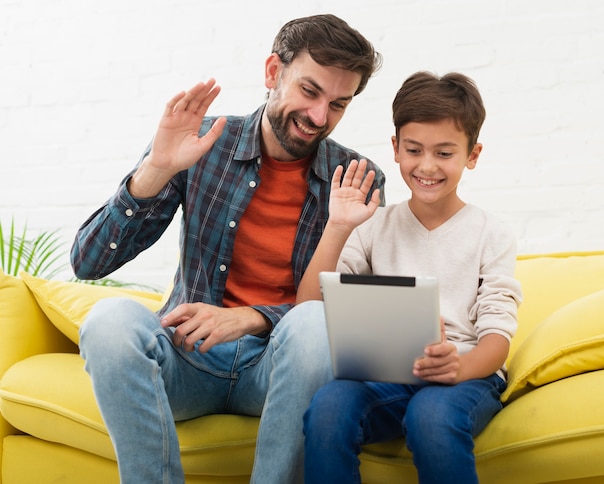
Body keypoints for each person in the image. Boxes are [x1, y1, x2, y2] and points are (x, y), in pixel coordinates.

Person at [70, 14, 384, 484]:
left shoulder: (357, 178)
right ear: (272, 72)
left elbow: (349, 319)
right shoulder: (203, 144)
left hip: (280, 368)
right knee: (107, 322)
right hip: (187, 359)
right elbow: (88, 263)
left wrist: (252, 317)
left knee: (318, 325)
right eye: (310, 91)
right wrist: (156, 169)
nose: (319, 117)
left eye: (338, 104)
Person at [297, 71, 523, 484]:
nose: (427, 166)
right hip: (388, 377)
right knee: (330, 405)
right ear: (396, 150)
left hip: (467, 375)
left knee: (431, 415)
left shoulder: (492, 233)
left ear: (473, 155)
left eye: (445, 153)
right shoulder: (372, 226)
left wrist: (461, 365)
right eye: (414, 150)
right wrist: (338, 227)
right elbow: (308, 308)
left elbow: (497, 338)